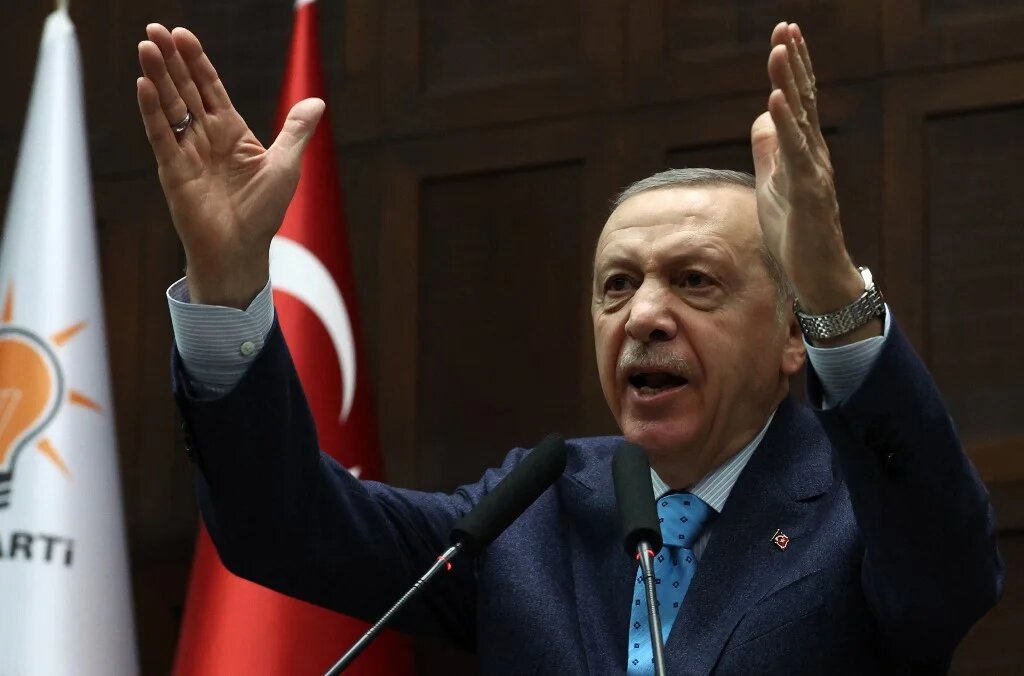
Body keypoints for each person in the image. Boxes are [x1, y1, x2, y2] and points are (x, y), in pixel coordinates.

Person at [137, 20, 1002, 675]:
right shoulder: (537, 510)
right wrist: (228, 281)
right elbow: (279, 527)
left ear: (788, 334)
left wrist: (835, 297)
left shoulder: (863, 510)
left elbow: (950, 574)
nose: (646, 316)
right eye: (617, 286)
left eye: (696, 282)